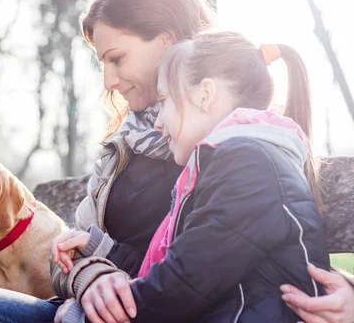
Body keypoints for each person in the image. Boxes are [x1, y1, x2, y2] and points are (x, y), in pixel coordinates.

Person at [0, 0, 214, 323]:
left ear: (167, 41)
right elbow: (68, 254)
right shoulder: (120, 148)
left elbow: (202, 275)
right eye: (103, 63)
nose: (108, 81)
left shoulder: (222, 145)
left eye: (117, 59)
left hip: (142, 311)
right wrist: (88, 277)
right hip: (82, 307)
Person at [57, 32, 332, 322]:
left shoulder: (251, 166)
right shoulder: (230, 163)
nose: (159, 121)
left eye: (165, 100)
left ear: (205, 94)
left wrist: (82, 317)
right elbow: (181, 268)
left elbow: (185, 284)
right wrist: (104, 250)